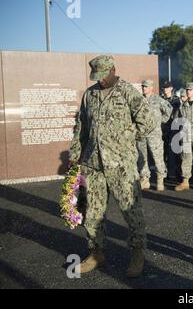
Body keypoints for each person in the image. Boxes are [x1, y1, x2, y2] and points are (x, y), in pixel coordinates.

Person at [69, 55, 155, 278]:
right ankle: (96, 253)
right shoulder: (90, 94)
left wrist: (126, 137)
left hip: (121, 165)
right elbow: (81, 128)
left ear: (113, 70)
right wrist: (75, 154)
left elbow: (148, 121)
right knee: (93, 212)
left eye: (104, 76)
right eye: (97, 77)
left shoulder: (126, 91)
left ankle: (137, 254)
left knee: (131, 210)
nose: (101, 81)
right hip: (94, 164)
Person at [137, 79, 172, 191]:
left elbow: (169, 110)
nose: (144, 88)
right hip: (142, 133)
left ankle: (160, 179)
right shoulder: (139, 100)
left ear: (151, 88)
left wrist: (161, 121)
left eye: (146, 87)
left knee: (158, 157)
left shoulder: (158, 100)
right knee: (142, 158)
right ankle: (145, 179)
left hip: (154, 134)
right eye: (143, 86)